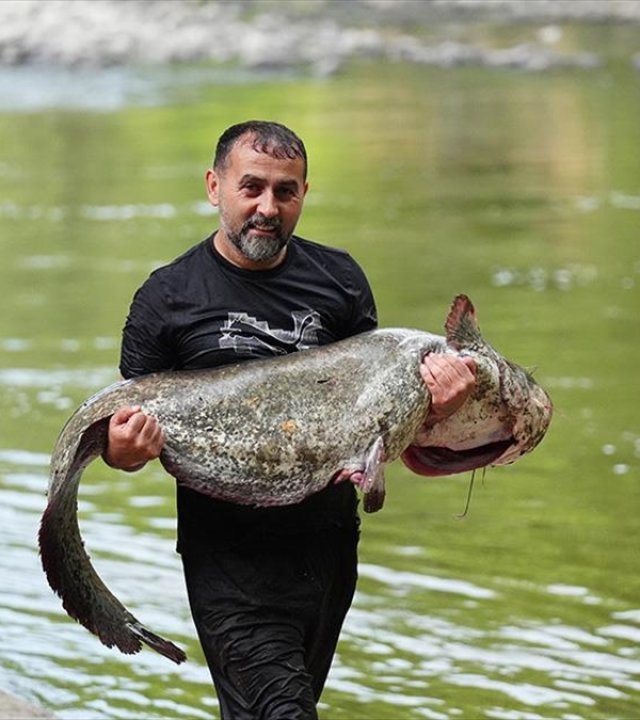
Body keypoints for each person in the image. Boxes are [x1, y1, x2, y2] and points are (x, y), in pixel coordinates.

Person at [101, 120, 477, 719]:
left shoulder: (341, 281)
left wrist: (439, 407)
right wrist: (124, 450)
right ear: (214, 186)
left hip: (328, 551)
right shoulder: (166, 297)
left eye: (286, 191)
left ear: (304, 193)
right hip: (228, 561)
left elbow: (377, 428)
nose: (267, 208)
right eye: (251, 187)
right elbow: (123, 441)